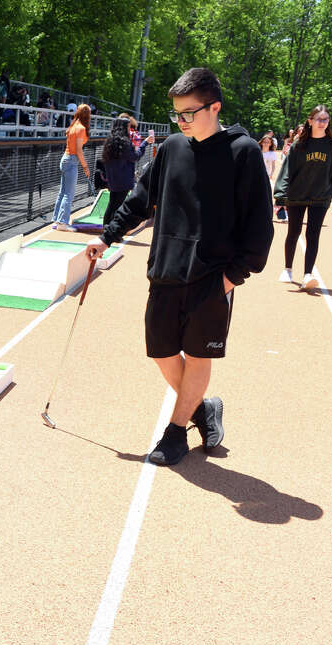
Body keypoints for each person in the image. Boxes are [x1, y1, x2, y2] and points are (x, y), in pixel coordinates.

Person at [85, 67, 273, 466]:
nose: (182, 121)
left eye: (189, 113)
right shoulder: (172, 147)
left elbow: (259, 224)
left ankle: (175, 433)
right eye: (177, 114)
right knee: (161, 351)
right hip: (166, 270)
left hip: (212, 277)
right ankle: (203, 409)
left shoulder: (244, 152)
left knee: (198, 355)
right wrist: (106, 237)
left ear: (214, 107)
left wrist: (231, 278)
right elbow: (139, 200)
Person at [273, 105, 332, 288]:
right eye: (319, 119)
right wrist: (281, 196)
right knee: (293, 232)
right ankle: (287, 269)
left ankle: (307, 274)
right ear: (310, 121)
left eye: (325, 120)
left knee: (313, 235)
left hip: (321, 197)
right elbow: (287, 170)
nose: (322, 123)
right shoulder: (299, 144)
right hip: (298, 194)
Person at [101, 116, 152, 225]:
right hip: (123, 179)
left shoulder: (110, 141)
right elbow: (135, 156)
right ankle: (110, 231)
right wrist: (145, 143)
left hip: (113, 178)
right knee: (117, 206)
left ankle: (106, 228)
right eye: (128, 127)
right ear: (124, 127)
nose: (130, 129)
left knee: (112, 204)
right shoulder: (124, 142)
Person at [52, 103, 92, 231]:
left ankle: (57, 220)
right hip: (71, 160)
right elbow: (79, 151)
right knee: (68, 194)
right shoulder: (80, 128)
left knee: (63, 192)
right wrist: (86, 167)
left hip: (65, 158)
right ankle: (63, 223)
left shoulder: (73, 125)